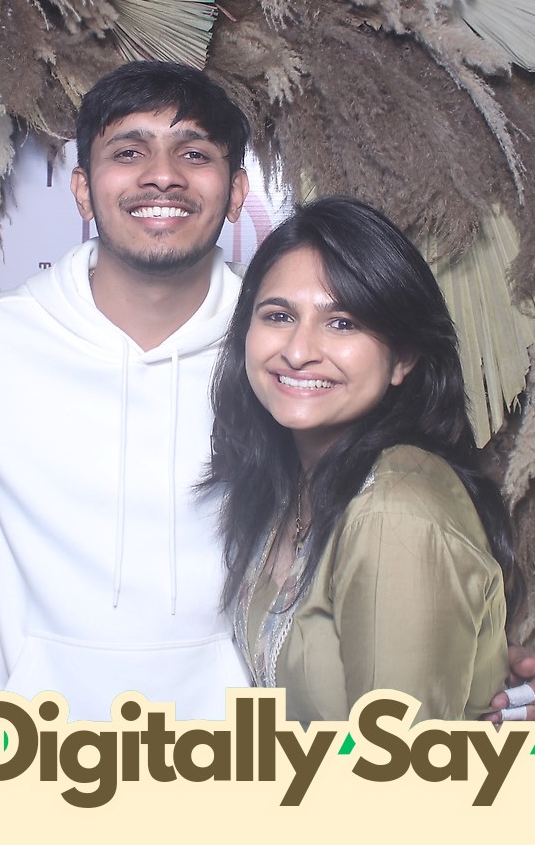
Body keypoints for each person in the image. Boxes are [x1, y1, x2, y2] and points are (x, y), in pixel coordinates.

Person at [0, 61, 535, 722]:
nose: (162, 175)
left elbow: (393, 568)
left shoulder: (278, 359)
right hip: (12, 754)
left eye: (194, 153)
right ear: (81, 189)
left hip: (228, 761)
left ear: (236, 191)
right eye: (129, 151)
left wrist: (477, 670)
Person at [205, 196, 518, 722]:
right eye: (279, 316)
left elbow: (394, 763)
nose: (298, 351)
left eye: (343, 323)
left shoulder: (394, 512)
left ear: (403, 357)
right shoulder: (295, 483)